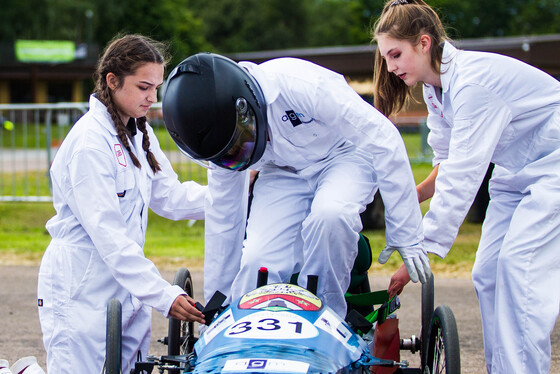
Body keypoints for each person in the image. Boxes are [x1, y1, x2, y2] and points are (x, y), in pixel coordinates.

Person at [161, 52, 431, 318]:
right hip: (281, 170)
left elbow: (383, 138)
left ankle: (327, 318)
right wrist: (216, 312)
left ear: (245, 106)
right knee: (257, 258)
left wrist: (406, 232)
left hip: (344, 155)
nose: (234, 154)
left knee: (331, 216)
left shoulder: (301, 84)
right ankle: (244, 331)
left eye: (238, 143)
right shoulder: (222, 148)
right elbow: (224, 221)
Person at [372, 1, 560, 373]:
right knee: (487, 272)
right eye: (385, 56)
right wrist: (414, 196)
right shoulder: (434, 88)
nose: (390, 66)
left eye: (396, 54)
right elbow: (445, 162)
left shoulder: (473, 84)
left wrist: (418, 257)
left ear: (424, 43)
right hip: (515, 173)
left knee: (517, 267)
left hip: (553, 165)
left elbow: (462, 177)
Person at [37, 34, 207, 374]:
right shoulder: (90, 143)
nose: (152, 98)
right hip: (81, 288)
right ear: (112, 81)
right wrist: (164, 295)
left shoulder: (138, 133)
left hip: (127, 286)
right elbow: (109, 237)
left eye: (156, 87)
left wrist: (236, 192)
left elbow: (170, 197)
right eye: (144, 87)